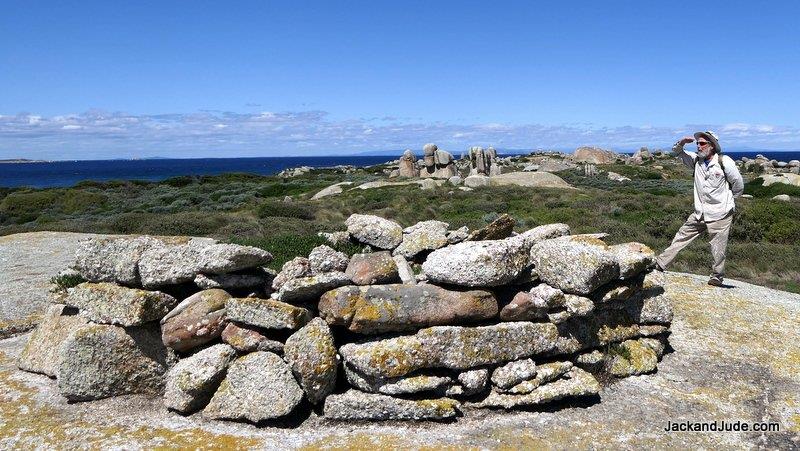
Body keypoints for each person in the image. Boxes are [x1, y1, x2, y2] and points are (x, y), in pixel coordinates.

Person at [654, 131, 744, 286]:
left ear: (712, 146)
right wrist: (682, 142)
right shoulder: (696, 160)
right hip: (699, 212)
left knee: (718, 247)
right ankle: (660, 264)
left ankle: (717, 276)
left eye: (702, 143)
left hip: (720, 213)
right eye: (697, 143)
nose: (698, 146)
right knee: (681, 237)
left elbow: (738, 185)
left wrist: (729, 202)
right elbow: (677, 152)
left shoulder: (724, 161)